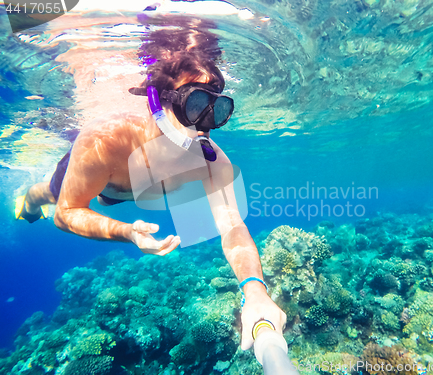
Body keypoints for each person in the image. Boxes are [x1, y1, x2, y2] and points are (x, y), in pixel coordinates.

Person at [15, 26, 286, 351]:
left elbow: (231, 226)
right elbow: (66, 213)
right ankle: (27, 203)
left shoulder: (211, 159)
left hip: (126, 189)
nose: (203, 125)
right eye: (195, 104)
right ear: (157, 101)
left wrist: (255, 291)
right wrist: (125, 232)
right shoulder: (104, 140)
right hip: (105, 178)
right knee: (48, 194)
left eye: (216, 111)